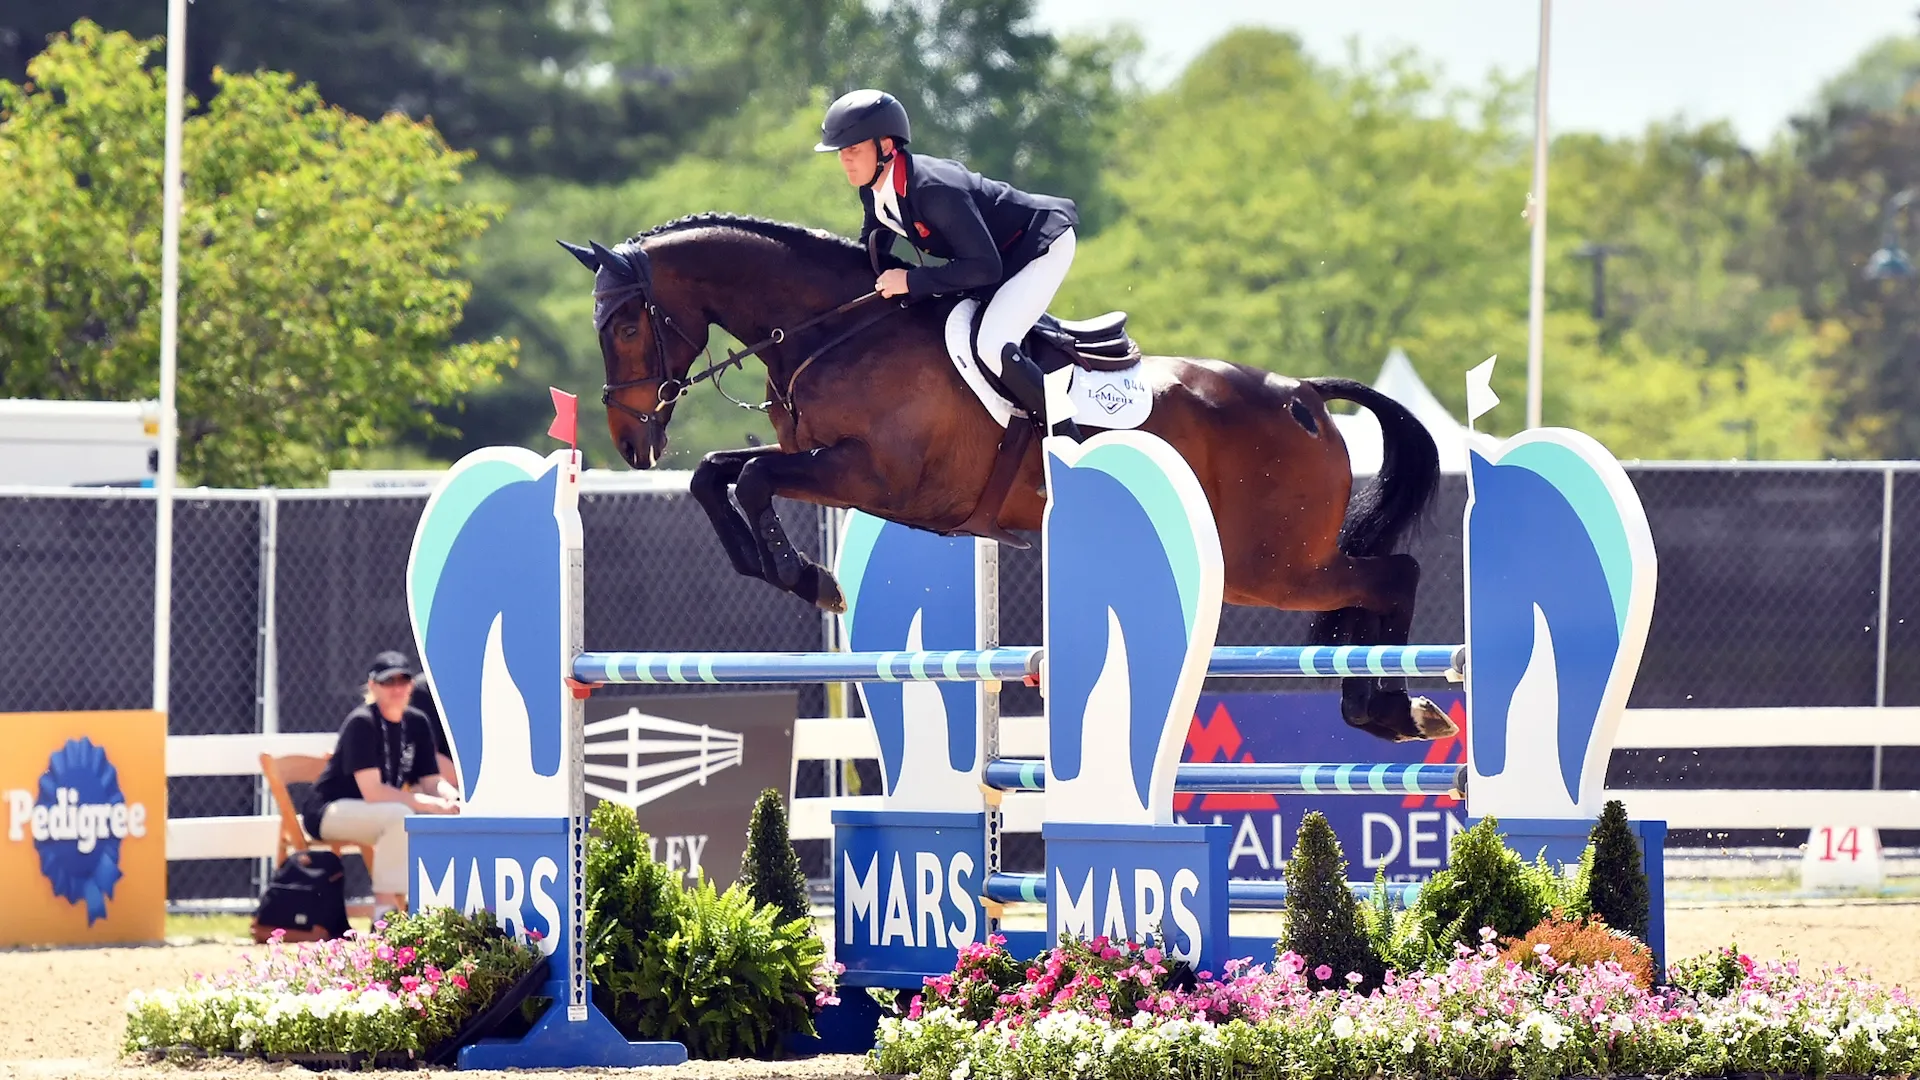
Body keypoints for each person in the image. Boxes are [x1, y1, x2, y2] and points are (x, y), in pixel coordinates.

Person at [815, 88, 1083, 439]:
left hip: (1039, 245)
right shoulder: (873, 189)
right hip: (995, 257)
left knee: (992, 345)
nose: (845, 160)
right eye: (841, 152)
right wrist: (826, 255)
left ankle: (1071, 442)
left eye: (853, 149)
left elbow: (985, 267)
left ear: (885, 147)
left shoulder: (933, 189)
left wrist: (911, 281)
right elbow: (869, 253)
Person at [302, 650, 460, 917]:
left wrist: (452, 799)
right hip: (329, 811)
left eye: (403, 681)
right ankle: (385, 914)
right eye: (388, 682)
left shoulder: (417, 722)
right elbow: (373, 792)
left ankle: (439, 910)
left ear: (411, 685)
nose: (397, 688)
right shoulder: (362, 722)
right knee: (401, 817)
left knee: (439, 817)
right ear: (373, 686)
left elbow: (432, 781)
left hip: (380, 812)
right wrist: (428, 804)